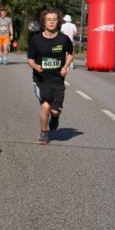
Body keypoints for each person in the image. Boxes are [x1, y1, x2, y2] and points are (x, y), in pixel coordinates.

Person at [27, 8, 74, 145]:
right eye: (49, 20)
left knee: (54, 111)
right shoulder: (36, 39)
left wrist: (65, 67)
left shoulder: (63, 39)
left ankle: (55, 118)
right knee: (46, 107)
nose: (52, 22)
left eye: (54, 19)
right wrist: (35, 66)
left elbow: (71, 54)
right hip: (41, 79)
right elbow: (30, 59)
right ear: (44, 22)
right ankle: (44, 133)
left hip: (58, 79)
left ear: (58, 22)